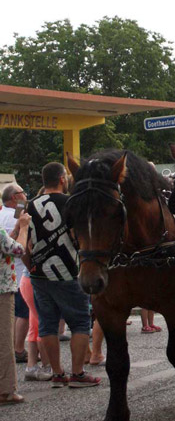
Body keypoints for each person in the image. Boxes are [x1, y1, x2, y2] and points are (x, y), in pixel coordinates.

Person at [26, 162, 101, 389]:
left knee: (47, 325)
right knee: (79, 322)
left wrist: (31, 266)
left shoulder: (31, 205)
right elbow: (78, 236)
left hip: (39, 275)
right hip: (68, 272)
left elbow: (25, 242)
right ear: (61, 179)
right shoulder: (71, 203)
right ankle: (77, 374)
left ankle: (57, 373)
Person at [0, 211, 31, 404]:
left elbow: (5, 246)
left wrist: (16, 229)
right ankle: (6, 390)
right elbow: (18, 250)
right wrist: (25, 227)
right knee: (4, 341)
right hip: (2, 290)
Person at [0, 183, 30, 363]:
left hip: (8, 275)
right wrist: (23, 227)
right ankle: (17, 349)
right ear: (14, 198)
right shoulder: (17, 217)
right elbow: (19, 248)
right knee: (23, 314)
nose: (25, 196)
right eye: (22, 193)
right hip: (15, 274)